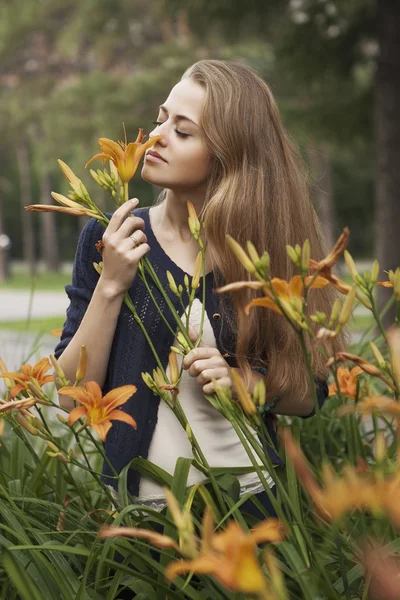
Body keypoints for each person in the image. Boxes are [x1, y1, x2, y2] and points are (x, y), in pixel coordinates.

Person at [54, 59, 345, 520]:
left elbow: (311, 393)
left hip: (249, 503)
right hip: (142, 514)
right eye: (159, 119)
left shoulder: (265, 252)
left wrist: (247, 383)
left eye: (183, 131)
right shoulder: (109, 238)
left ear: (232, 156)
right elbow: (70, 394)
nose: (155, 137)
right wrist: (111, 283)